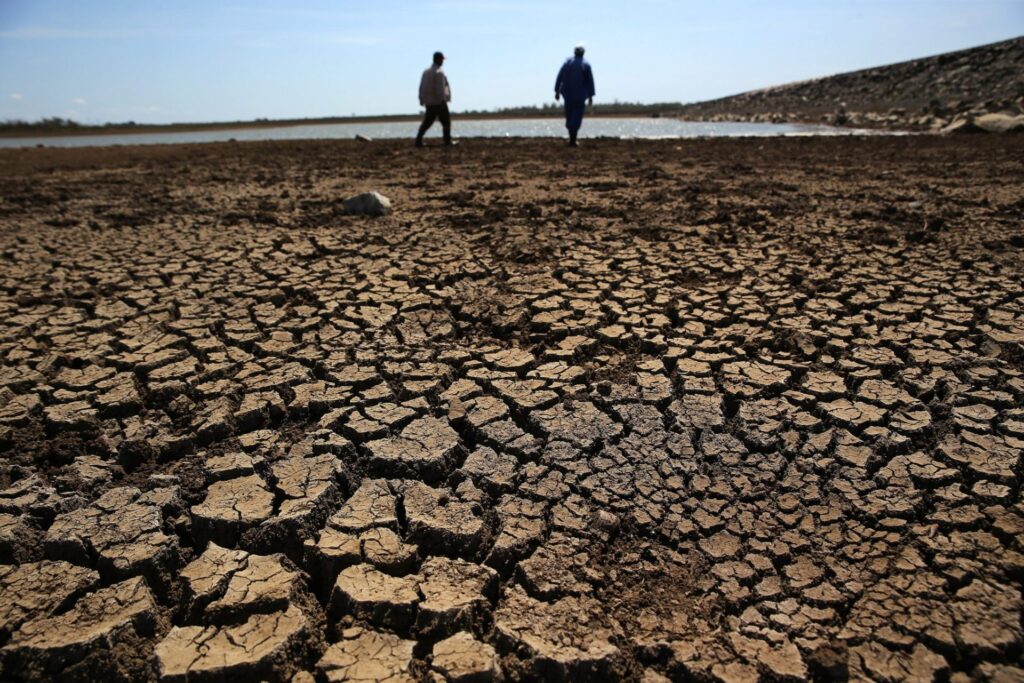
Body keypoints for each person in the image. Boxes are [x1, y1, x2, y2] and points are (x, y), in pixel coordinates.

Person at [554, 44, 595, 146]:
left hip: (568, 95)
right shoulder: (586, 64)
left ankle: (572, 139)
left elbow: (559, 77)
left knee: (569, 115)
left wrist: (557, 91)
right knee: (576, 117)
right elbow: (590, 81)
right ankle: (573, 140)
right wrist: (590, 96)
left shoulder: (567, 63)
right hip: (579, 96)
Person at [416, 51, 456, 147]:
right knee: (446, 122)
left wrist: (421, 99)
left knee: (427, 122)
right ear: (438, 59)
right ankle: (447, 141)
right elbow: (440, 88)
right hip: (438, 102)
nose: (442, 61)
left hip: (429, 102)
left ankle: (418, 140)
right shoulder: (439, 72)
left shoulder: (426, 72)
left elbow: (421, 87)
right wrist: (442, 100)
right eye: (442, 59)